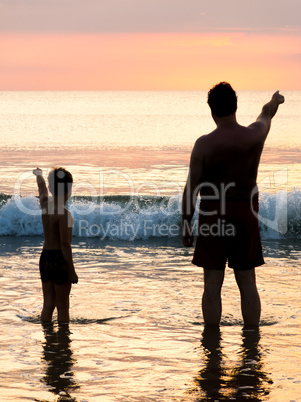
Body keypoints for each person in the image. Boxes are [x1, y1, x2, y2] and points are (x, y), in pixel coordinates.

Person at [182, 82, 284, 329]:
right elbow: (266, 114)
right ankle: (251, 340)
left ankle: (212, 343)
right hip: (245, 214)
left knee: (212, 285)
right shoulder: (254, 134)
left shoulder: (204, 144)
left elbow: (191, 188)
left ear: (211, 111)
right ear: (236, 107)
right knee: (248, 282)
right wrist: (275, 101)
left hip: (212, 215)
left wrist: (186, 222)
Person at [33, 167, 78, 323]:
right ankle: (63, 341)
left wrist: (39, 176)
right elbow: (65, 244)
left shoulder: (45, 205)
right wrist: (71, 271)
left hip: (45, 258)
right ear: (69, 190)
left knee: (48, 305)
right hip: (59, 260)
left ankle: (47, 339)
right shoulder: (65, 214)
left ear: (52, 188)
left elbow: (41, 189)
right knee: (63, 306)